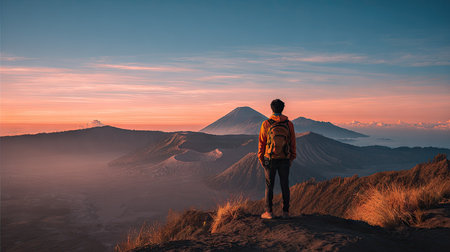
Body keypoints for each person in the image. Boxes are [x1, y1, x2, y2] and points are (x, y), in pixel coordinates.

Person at [258, 99, 296, 219]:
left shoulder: (266, 124)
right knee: (285, 185)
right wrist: (291, 157)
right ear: (282, 108)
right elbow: (292, 142)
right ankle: (286, 212)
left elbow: (262, 143)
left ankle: (269, 212)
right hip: (284, 158)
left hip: (270, 159)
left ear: (271, 108)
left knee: (269, 185)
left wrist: (261, 158)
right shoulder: (289, 124)